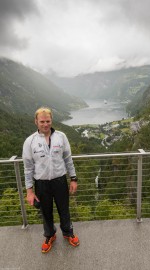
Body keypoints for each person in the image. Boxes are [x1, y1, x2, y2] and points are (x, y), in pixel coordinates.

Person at [22, 107, 79, 253]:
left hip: (60, 180)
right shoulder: (30, 141)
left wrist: (73, 178)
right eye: (42, 121)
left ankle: (68, 233)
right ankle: (49, 235)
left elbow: (68, 159)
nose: (45, 124)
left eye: (48, 121)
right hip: (41, 184)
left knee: (64, 209)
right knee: (46, 212)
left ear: (51, 120)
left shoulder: (61, 137)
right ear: (36, 122)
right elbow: (28, 168)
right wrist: (29, 191)